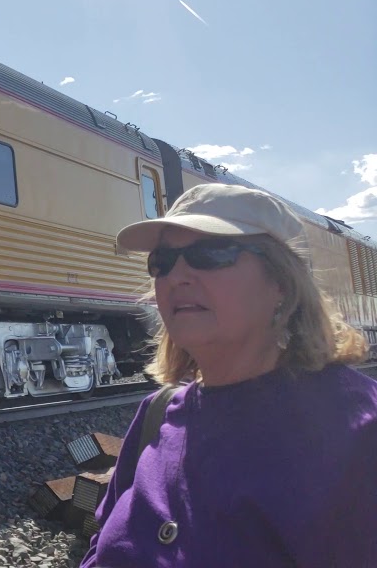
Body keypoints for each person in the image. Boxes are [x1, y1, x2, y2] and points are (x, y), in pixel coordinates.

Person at [81, 183, 377, 567]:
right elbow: (101, 545)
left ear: (282, 283)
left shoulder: (359, 430)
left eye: (211, 253)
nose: (177, 276)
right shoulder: (155, 415)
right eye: (162, 261)